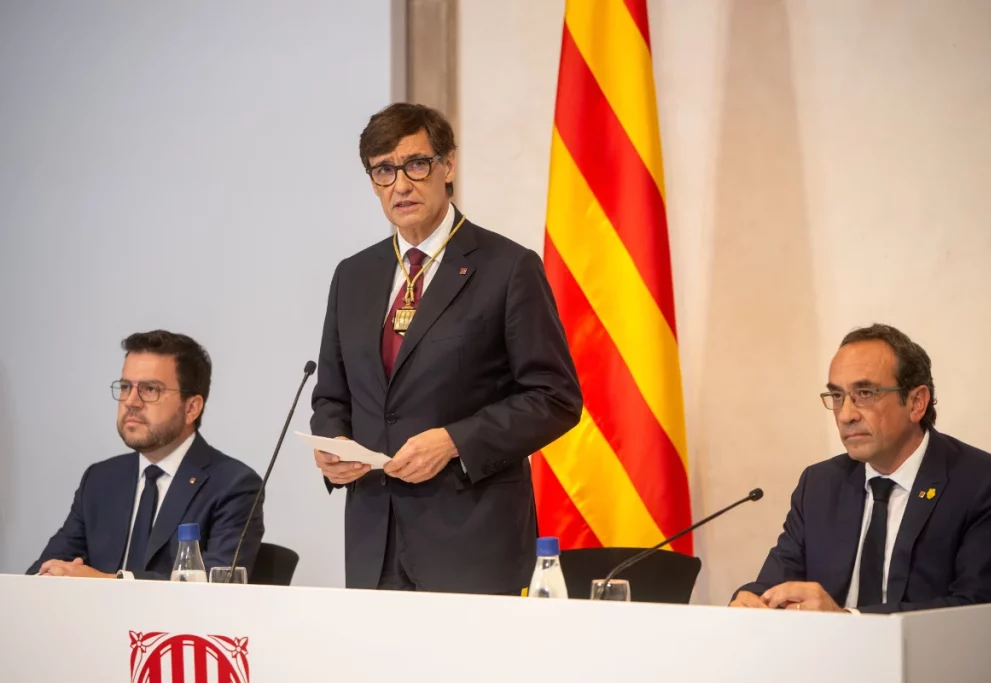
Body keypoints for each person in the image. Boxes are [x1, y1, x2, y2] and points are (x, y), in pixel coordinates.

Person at [311, 102, 582, 594]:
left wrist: (456, 440)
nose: (401, 184)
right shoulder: (353, 276)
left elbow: (555, 398)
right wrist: (333, 444)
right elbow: (331, 396)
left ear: (448, 165)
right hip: (376, 537)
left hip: (472, 540)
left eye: (416, 164)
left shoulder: (507, 267)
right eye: (383, 171)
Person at [731, 324, 991, 613]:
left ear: (916, 403)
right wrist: (753, 600)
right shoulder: (819, 484)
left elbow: (979, 610)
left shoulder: (987, 487)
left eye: (865, 394)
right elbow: (777, 580)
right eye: (837, 396)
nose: (846, 415)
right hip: (821, 657)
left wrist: (847, 620)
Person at [28, 330, 264, 580]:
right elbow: (45, 570)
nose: (131, 401)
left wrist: (105, 583)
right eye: (126, 387)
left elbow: (216, 585)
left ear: (192, 407)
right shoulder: (100, 479)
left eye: (150, 389)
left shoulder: (233, 485)